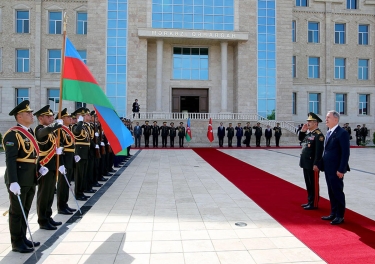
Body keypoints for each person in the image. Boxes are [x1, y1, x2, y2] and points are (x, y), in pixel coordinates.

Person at [3, 100, 40, 253]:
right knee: (17, 211)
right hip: (18, 178)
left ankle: (23, 237)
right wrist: (13, 181)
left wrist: (39, 168)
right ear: (19, 117)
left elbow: (33, 156)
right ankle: (16, 243)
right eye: (28, 113)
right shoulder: (12, 134)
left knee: (25, 209)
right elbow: (10, 160)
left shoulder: (29, 132)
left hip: (30, 177)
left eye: (31, 113)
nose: (32, 115)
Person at [34, 105, 63, 230]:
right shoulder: (39, 129)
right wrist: (56, 125)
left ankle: (48, 216)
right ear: (41, 118)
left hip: (52, 165)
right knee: (44, 194)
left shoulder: (49, 131)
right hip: (44, 166)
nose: (52, 117)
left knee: (51, 193)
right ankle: (42, 220)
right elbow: (42, 133)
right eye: (49, 116)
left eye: (52, 116)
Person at [320, 110, 350, 225]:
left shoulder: (342, 133)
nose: (326, 119)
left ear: (335, 120)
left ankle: (340, 215)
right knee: (331, 191)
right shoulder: (328, 132)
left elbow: (345, 153)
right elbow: (327, 151)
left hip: (337, 169)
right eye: (326, 117)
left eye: (328, 117)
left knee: (337, 191)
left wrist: (341, 169)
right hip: (328, 168)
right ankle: (333, 212)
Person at [298, 113, 324, 210]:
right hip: (305, 162)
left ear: (315, 123)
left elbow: (319, 151)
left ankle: (314, 203)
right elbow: (301, 139)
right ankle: (310, 201)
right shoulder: (309, 133)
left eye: (309, 121)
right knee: (308, 183)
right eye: (307, 121)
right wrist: (302, 131)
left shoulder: (318, 135)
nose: (307, 123)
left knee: (313, 184)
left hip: (312, 164)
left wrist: (316, 163)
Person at [56, 108, 77, 215]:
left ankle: (65, 204)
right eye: (68, 117)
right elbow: (60, 147)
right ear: (62, 119)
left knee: (67, 183)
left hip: (70, 158)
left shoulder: (67, 129)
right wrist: (61, 164)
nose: (70, 118)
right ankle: (61, 206)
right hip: (64, 159)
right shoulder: (60, 130)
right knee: (62, 184)